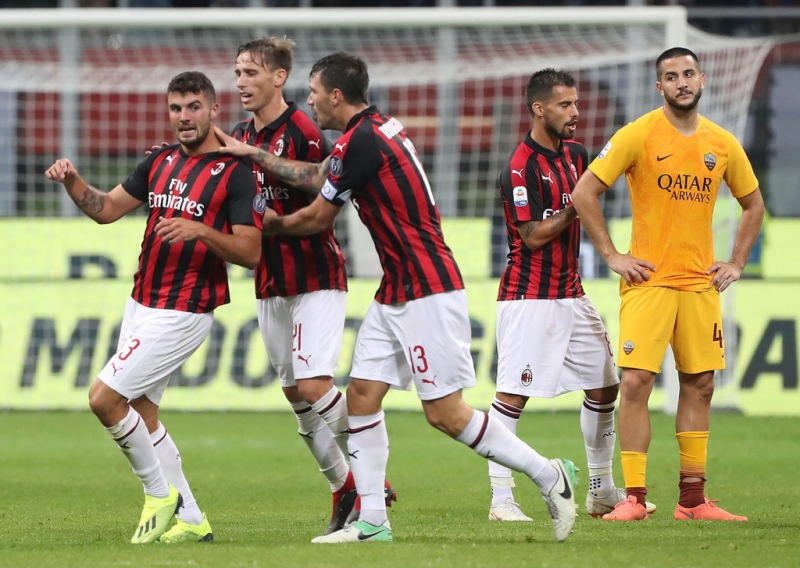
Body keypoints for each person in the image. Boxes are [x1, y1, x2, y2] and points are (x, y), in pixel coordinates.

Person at [216, 51, 579, 544]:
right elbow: (321, 174)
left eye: (315, 93)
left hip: (427, 287)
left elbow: (318, 216)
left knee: (445, 414)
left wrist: (269, 226)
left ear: (336, 95)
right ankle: (372, 522)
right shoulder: (375, 129)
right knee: (362, 396)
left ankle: (547, 473)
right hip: (397, 288)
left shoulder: (361, 139)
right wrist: (254, 155)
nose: (311, 102)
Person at [45, 71, 262, 543]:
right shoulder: (159, 161)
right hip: (141, 303)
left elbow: (250, 252)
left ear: (214, 110)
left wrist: (199, 230)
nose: (184, 117)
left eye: (193, 107)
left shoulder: (236, 173)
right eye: (176, 108)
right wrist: (72, 180)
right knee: (141, 413)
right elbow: (106, 208)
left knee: (104, 399)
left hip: (185, 310)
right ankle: (192, 519)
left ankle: (159, 495)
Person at [571, 47, 764, 522]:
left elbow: (753, 204)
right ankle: (634, 498)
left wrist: (736, 263)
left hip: (700, 286)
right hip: (649, 283)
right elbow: (584, 192)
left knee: (700, 386)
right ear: (660, 87)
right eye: (672, 76)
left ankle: (693, 501)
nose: (682, 82)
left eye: (688, 74)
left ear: (702, 79)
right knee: (636, 383)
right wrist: (613, 256)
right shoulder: (637, 134)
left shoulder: (722, 142)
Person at [229, 37, 395, 535]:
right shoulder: (239, 133)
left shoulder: (303, 129)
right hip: (269, 280)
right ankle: (344, 486)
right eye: (237, 73)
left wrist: (256, 165)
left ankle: (372, 476)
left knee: (314, 385)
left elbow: (322, 187)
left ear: (278, 77)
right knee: (295, 396)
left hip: (315, 276)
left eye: (250, 73)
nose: (241, 82)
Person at [488, 68, 656, 522]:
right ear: (539, 109)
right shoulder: (520, 167)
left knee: (605, 386)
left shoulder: (578, 155)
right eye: (565, 104)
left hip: (571, 293)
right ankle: (501, 499)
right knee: (512, 397)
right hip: (529, 297)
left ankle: (601, 490)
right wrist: (575, 205)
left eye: (576, 103)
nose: (575, 112)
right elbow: (532, 236)